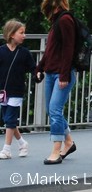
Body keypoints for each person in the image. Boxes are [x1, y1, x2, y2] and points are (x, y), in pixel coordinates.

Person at [35, 0, 78, 165]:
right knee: (52, 110)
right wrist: (39, 67)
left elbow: (69, 49)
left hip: (62, 74)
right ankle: (69, 142)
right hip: (53, 73)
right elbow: (50, 51)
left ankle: (56, 150)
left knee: (55, 110)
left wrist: (64, 75)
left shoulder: (65, 20)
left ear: (53, 0)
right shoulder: (56, 21)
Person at [0, 20, 35, 159]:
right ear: (11, 34)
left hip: (16, 90)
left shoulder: (24, 53)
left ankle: (6, 149)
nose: (24, 35)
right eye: (21, 33)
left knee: (10, 118)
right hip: (2, 91)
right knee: (7, 118)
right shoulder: (1, 51)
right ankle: (22, 143)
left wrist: (37, 74)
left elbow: (33, 68)